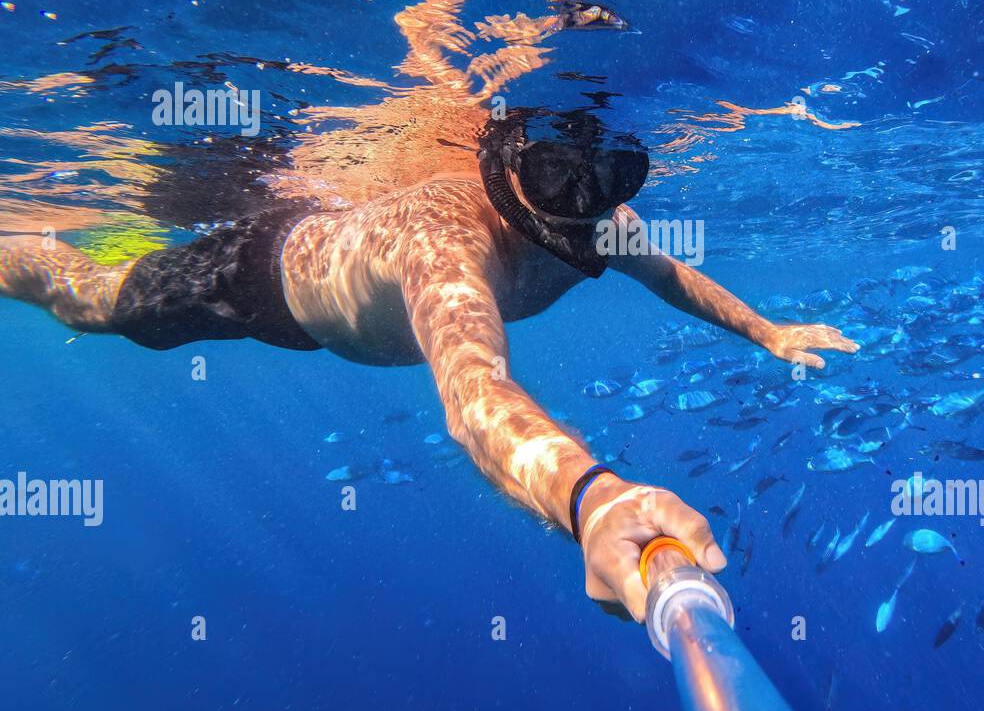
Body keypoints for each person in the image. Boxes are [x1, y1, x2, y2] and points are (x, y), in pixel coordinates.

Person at [0, 110, 859, 619]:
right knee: (94, 302)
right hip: (262, 278)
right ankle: (20, 247)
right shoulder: (444, 243)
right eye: (555, 175)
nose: (582, 201)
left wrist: (770, 330)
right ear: (505, 165)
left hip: (325, 275)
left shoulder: (598, 220)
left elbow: (670, 272)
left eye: (608, 176)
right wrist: (592, 497)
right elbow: (474, 395)